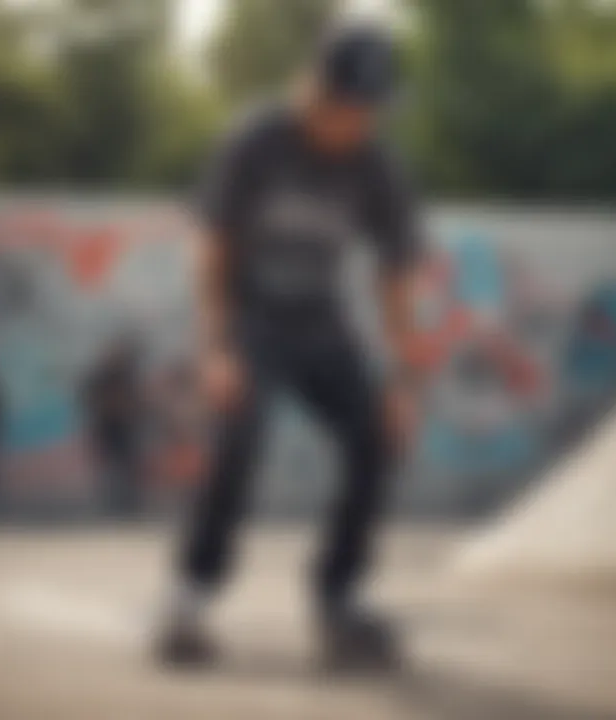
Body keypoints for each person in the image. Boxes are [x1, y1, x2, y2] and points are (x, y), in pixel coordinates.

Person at [159, 25, 425, 671]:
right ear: (312, 92)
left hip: (321, 323)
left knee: (376, 436)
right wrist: (217, 346)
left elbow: (394, 273)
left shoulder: (375, 163)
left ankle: (340, 596)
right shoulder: (257, 141)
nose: (357, 123)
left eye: (370, 111)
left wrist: (401, 380)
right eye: (345, 109)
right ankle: (190, 595)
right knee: (240, 433)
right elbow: (211, 246)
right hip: (252, 320)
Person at [83, 335, 146, 519]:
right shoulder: (102, 376)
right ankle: (112, 504)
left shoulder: (126, 376)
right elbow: (92, 400)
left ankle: (127, 504)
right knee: (110, 468)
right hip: (108, 428)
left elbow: (135, 402)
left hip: (124, 429)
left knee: (126, 467)